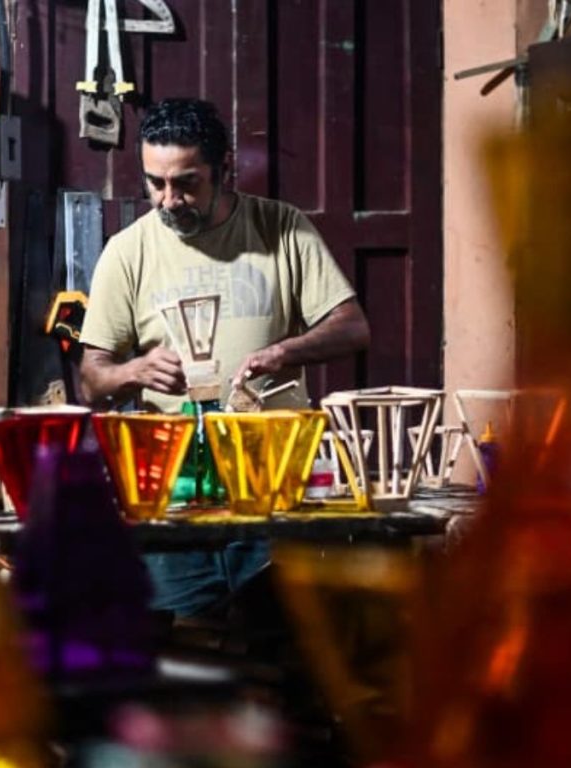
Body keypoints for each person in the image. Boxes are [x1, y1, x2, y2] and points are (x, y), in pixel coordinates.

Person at [79, 98, 370, 617]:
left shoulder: (281, 228)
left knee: (285, 651)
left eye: (187, 182)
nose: (169, 200)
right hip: (175, 497)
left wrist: (286, 350)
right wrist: (132, 371)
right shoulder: (128, 252)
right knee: (186, 662)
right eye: (155, 183)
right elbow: (91, 379)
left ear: (225, 168)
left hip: (272, 487)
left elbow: (353, 327)